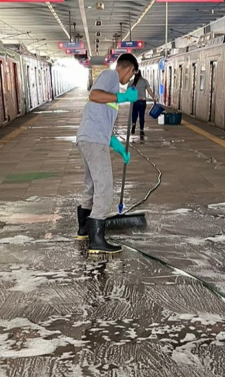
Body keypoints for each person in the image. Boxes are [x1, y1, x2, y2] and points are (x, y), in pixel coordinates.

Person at [75, 53, 139, 255]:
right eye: (131, 75)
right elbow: (94, 95)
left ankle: (84, 229)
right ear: (129, 69)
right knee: (105, 186)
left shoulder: (110, 85)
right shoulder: (111, 75)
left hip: (90, 138)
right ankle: (97, 240)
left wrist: (119, 148)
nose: (128, 80)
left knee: (93, 185)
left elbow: (103, 124)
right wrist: (123, 97)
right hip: (93, 141)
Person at [130, 70, 157, 140]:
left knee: (134, 115)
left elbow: (128, 92)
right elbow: (149, 90)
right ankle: (141, 130)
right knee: (141, 116)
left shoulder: (131, 82)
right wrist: (153, 97)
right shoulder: (144, 81)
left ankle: (133, 124)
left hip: (134, 101)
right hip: (142, 101)